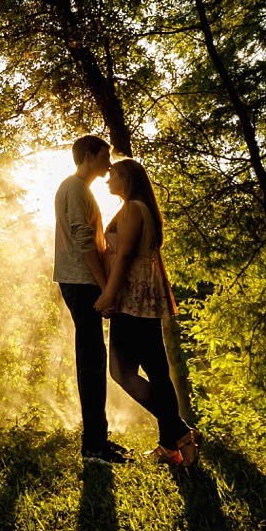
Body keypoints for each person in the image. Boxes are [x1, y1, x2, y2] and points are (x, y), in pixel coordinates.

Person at [95, 157, 199, 466]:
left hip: (133, 297)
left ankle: (180, 433)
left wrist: (109, 294)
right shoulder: (138, 207)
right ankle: (172, 445)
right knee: (156, 371)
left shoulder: (133, 209)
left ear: (126, 178)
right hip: (144, 296)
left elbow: (125, 255)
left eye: (112, 174)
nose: (106, 179)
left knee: (121, 372)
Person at [54, 134, 128, 465]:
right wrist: (105, 287)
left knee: (94, 360)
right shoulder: (73, 188)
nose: (109, 163)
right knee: (91, 361)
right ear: (88, 155)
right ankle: (94, 447)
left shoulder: (81, 190)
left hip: (84, 282)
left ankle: (97, 442)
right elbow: (84, 241)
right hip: (81, 282)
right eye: (104, 156)